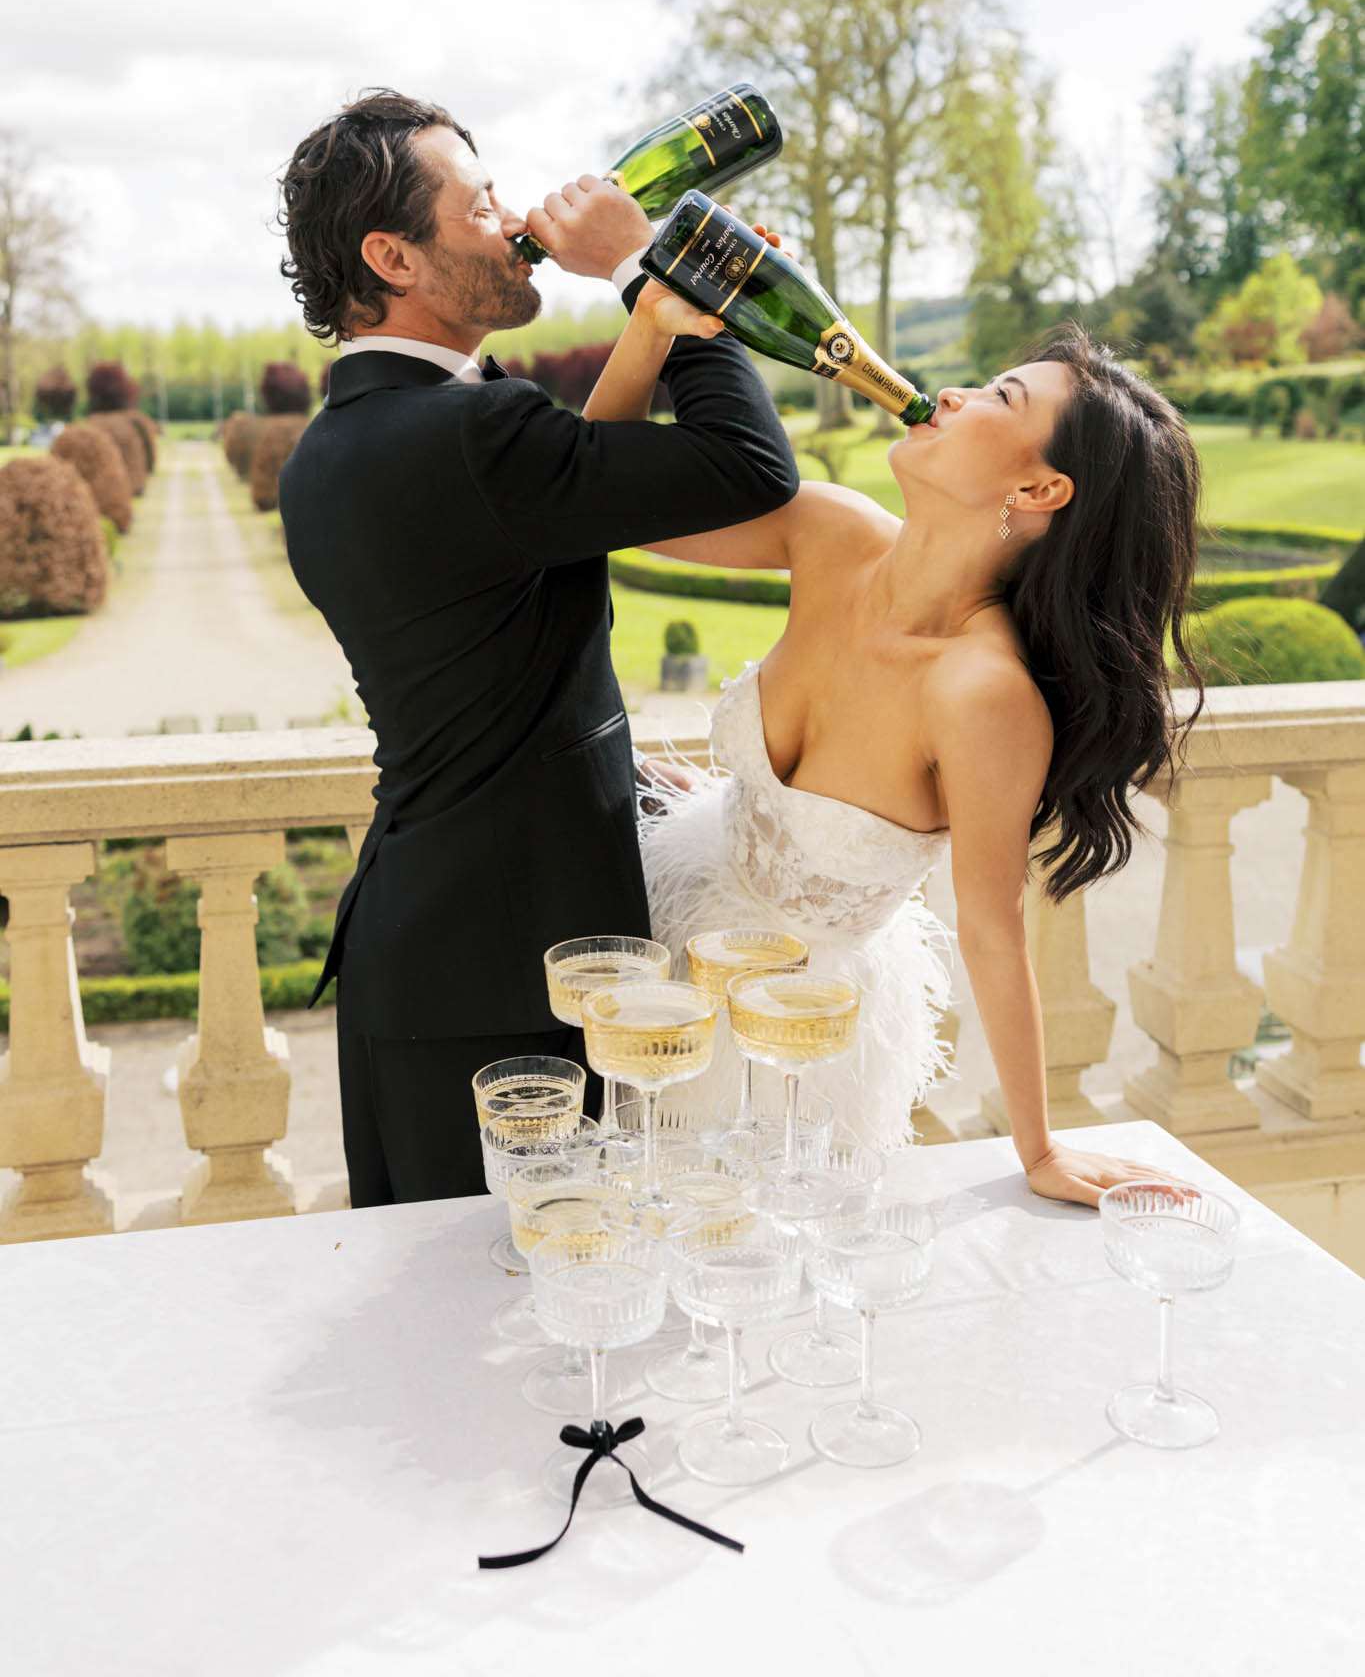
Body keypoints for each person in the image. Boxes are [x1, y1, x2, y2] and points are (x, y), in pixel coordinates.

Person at [586, 251, 1207, 1207]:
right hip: (659, 949)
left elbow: (992, 929)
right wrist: (651, 325)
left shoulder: (981, 693)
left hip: (798, 1041)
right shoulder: (830, 531)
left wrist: (1038, 1150)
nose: (949, 394)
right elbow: (600, 499)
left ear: (1040, 491)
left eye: (999, 395)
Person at [274, 89, 798, 1206]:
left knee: (473, 1340)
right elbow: (752, 468)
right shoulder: (463, 432)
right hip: (499, 985)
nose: (515, 219)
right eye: (479, 205)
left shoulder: (353, 438)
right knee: (516, 1330)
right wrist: (657, 267)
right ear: (393, 255)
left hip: (439, 958)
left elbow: (562, 510)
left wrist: (656, 325)